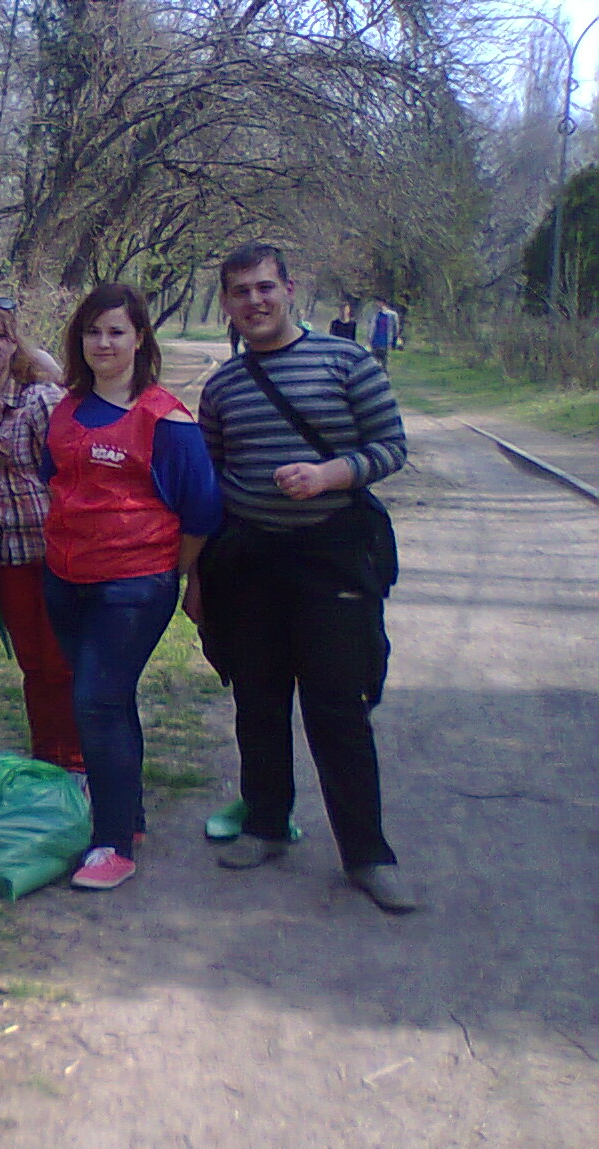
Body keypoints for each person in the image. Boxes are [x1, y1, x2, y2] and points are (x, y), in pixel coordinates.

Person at [192, 242, 415, 913]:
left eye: (264, 287)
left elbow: (392, 447)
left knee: (337, 708)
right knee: (257, 700)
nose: (254, 301)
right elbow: (211, 484)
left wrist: (330, 474)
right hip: (251, 564)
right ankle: (265, 824)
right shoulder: (224, 386)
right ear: (228, 303)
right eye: (239, 291)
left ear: (290, 288)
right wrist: (200, 577)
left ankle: (368, 856)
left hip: (332, 557)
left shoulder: (347, 361)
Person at [43, 284, 222, 890]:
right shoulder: (66, 409)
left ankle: (112, 845)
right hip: (66, 581)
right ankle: (130, 816)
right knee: (107, 701)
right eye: (93, 331)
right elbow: (58, 480)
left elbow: (200, 512)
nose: (104, 343)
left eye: (116, 331)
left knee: (95, 700)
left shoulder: (166, 420)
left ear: (139, 338)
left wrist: (174, 570)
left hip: (134, 586)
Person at [0, 296, 84, 771]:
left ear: (15, 343)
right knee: (31, 663)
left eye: (0, 335)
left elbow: (71, 472)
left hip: (52, 548)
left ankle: (76, 762)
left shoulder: (39, 398)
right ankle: (45, 756)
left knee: (61, 661)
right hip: (5, 552)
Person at [369, 299, 398, 368]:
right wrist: (370, 339)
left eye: (379, 302)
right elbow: (372, 328)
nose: (377, 304)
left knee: (384, 362)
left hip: (385, 342)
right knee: (374, 362)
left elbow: (395, 329)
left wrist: (394, 340)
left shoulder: (392, 315)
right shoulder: (376, 314)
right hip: (375, 341)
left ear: (383, 303)